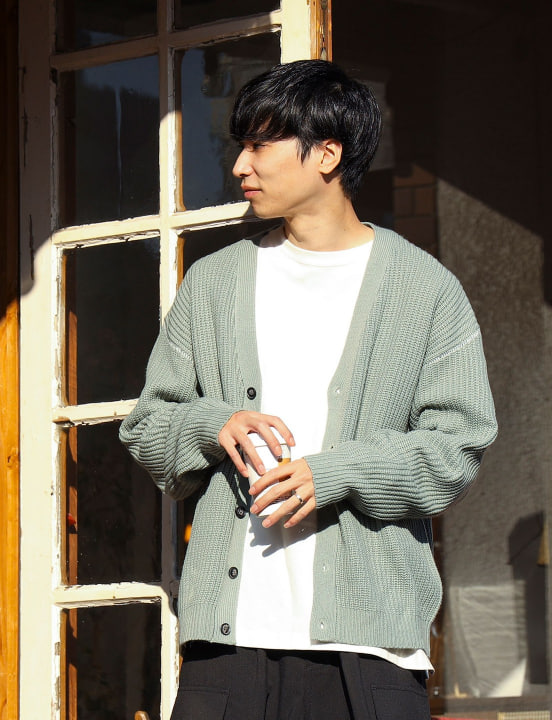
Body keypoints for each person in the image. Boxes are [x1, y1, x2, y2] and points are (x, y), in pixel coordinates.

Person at [120, 59, 497, 720]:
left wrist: (337, 474)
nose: (240, 165)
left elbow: (457, 447)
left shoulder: (424, 289)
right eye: (240, 145)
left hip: (368, 651)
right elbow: (148, 426)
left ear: (327, 153)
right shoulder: (213, 284)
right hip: (229, 647)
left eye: (259, 145)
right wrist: (213, 425)